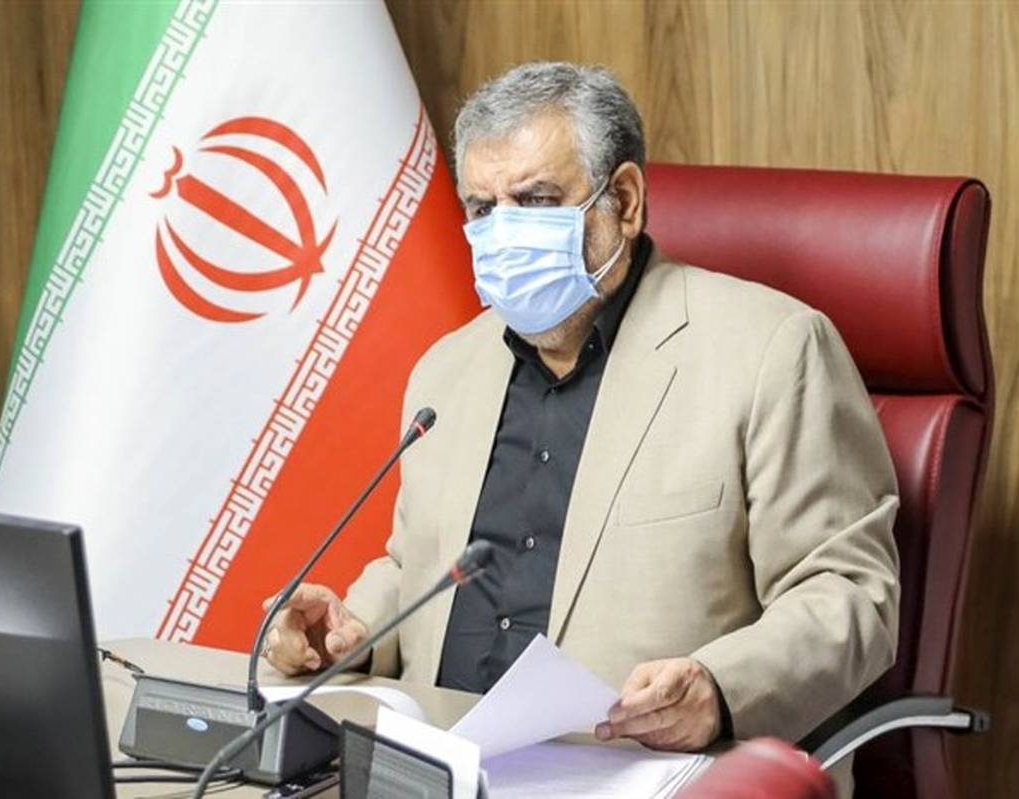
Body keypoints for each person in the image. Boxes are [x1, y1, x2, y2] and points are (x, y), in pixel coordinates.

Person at [262, 61, 899, 794]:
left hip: (649, 774)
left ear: (623, 201)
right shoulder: (446, 370)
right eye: (482, 209)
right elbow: (418, 567)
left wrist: (719, 687)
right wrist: (348, 632)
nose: (504, 232)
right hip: (435, 769)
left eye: (534, 200)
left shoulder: (771, 349)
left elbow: (850, 592)